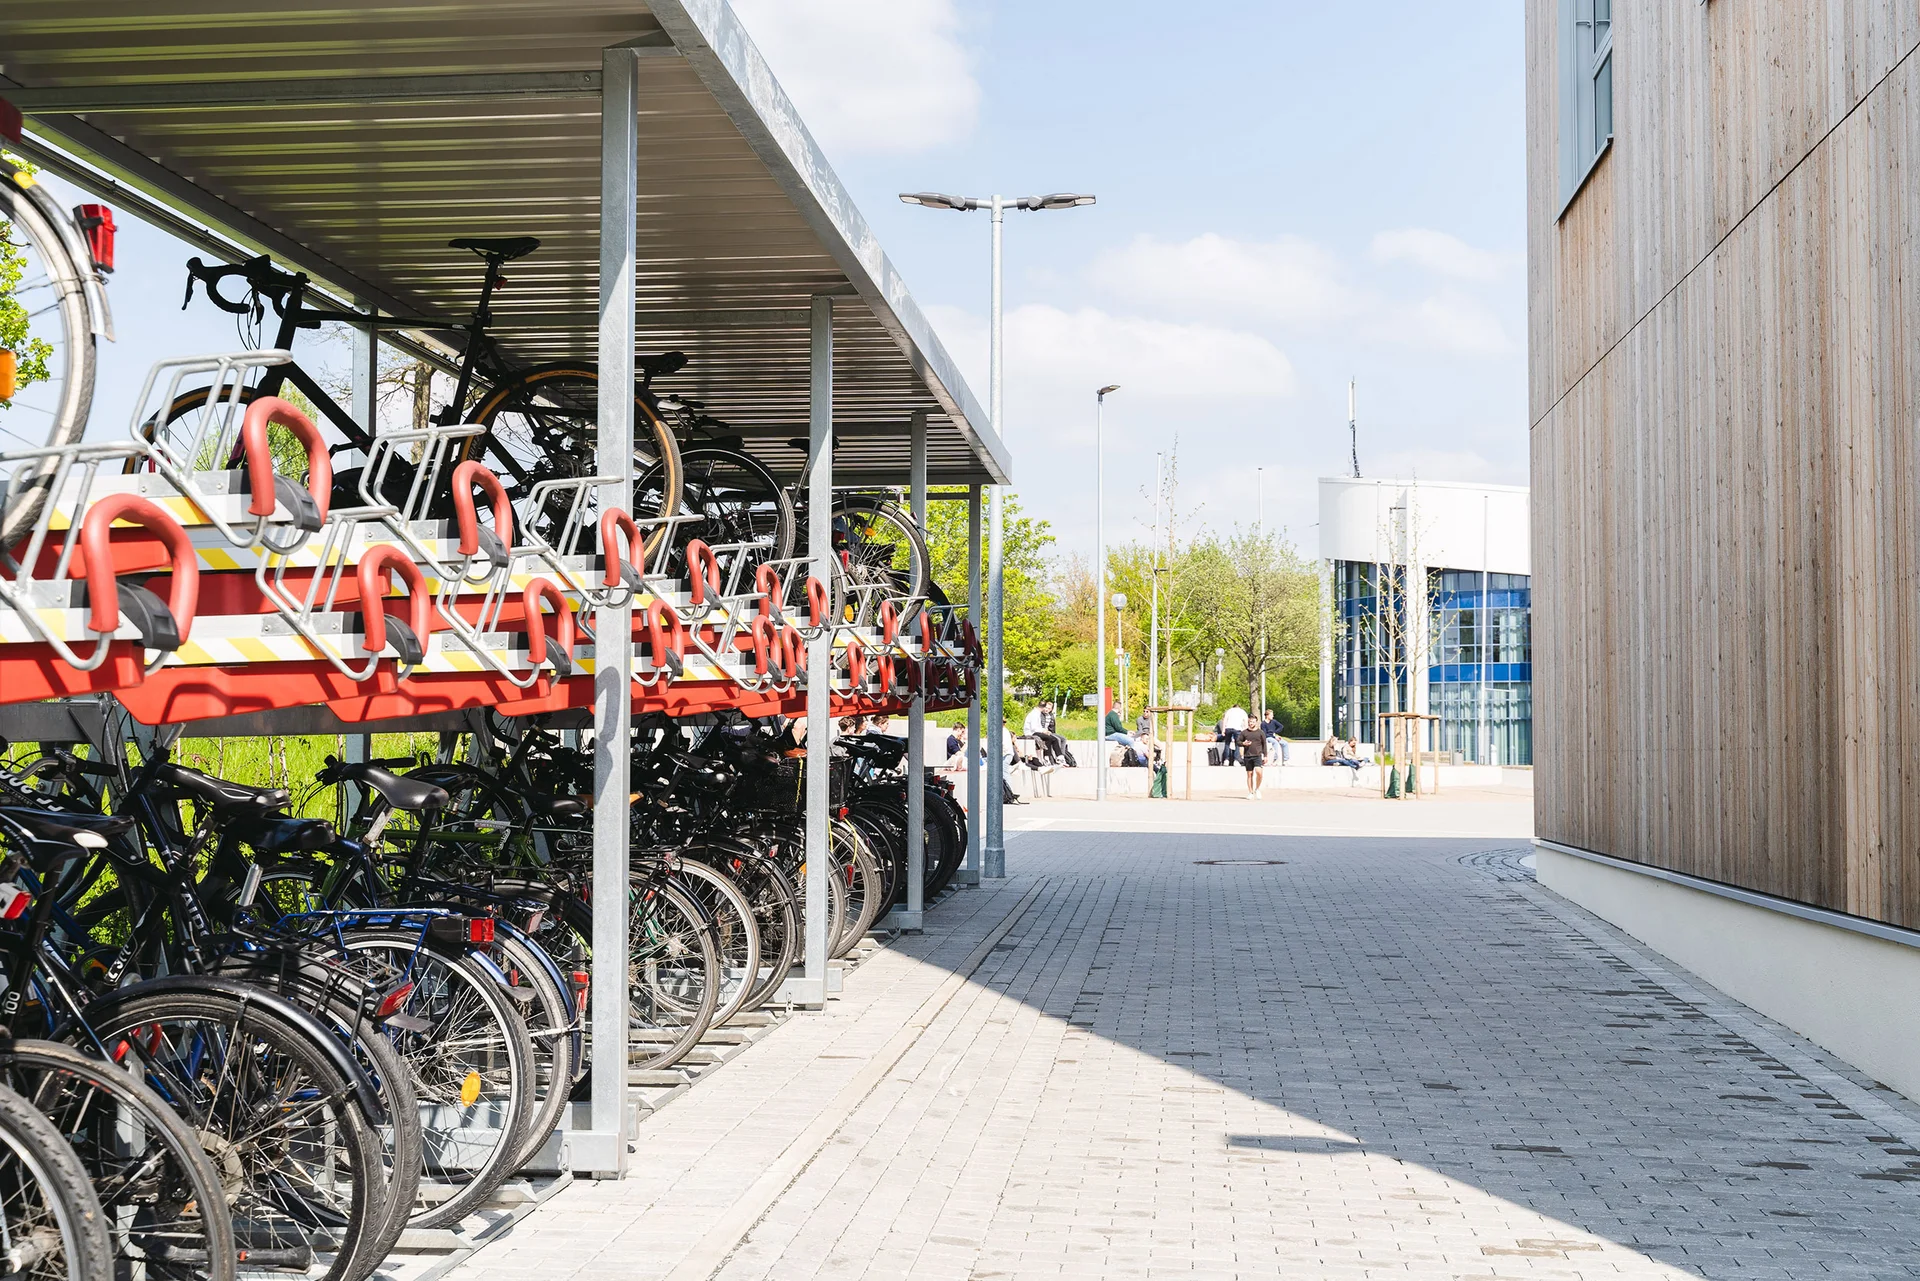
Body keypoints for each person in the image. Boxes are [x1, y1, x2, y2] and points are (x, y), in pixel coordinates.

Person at [1238, 718, 1267, 798]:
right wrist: (1244, 743)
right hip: (1247, 755)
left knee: (1259, 772)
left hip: (1257, 755)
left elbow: (1264, 744)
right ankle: (1250, 792)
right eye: (1250, 722)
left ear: (1256, 722)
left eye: (1253, 722)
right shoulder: (1244, 732)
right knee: (1249, 774)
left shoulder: (1260, 732)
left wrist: (1265, 755)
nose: (1251, 723)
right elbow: (1238, 742)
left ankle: (1257, 789)